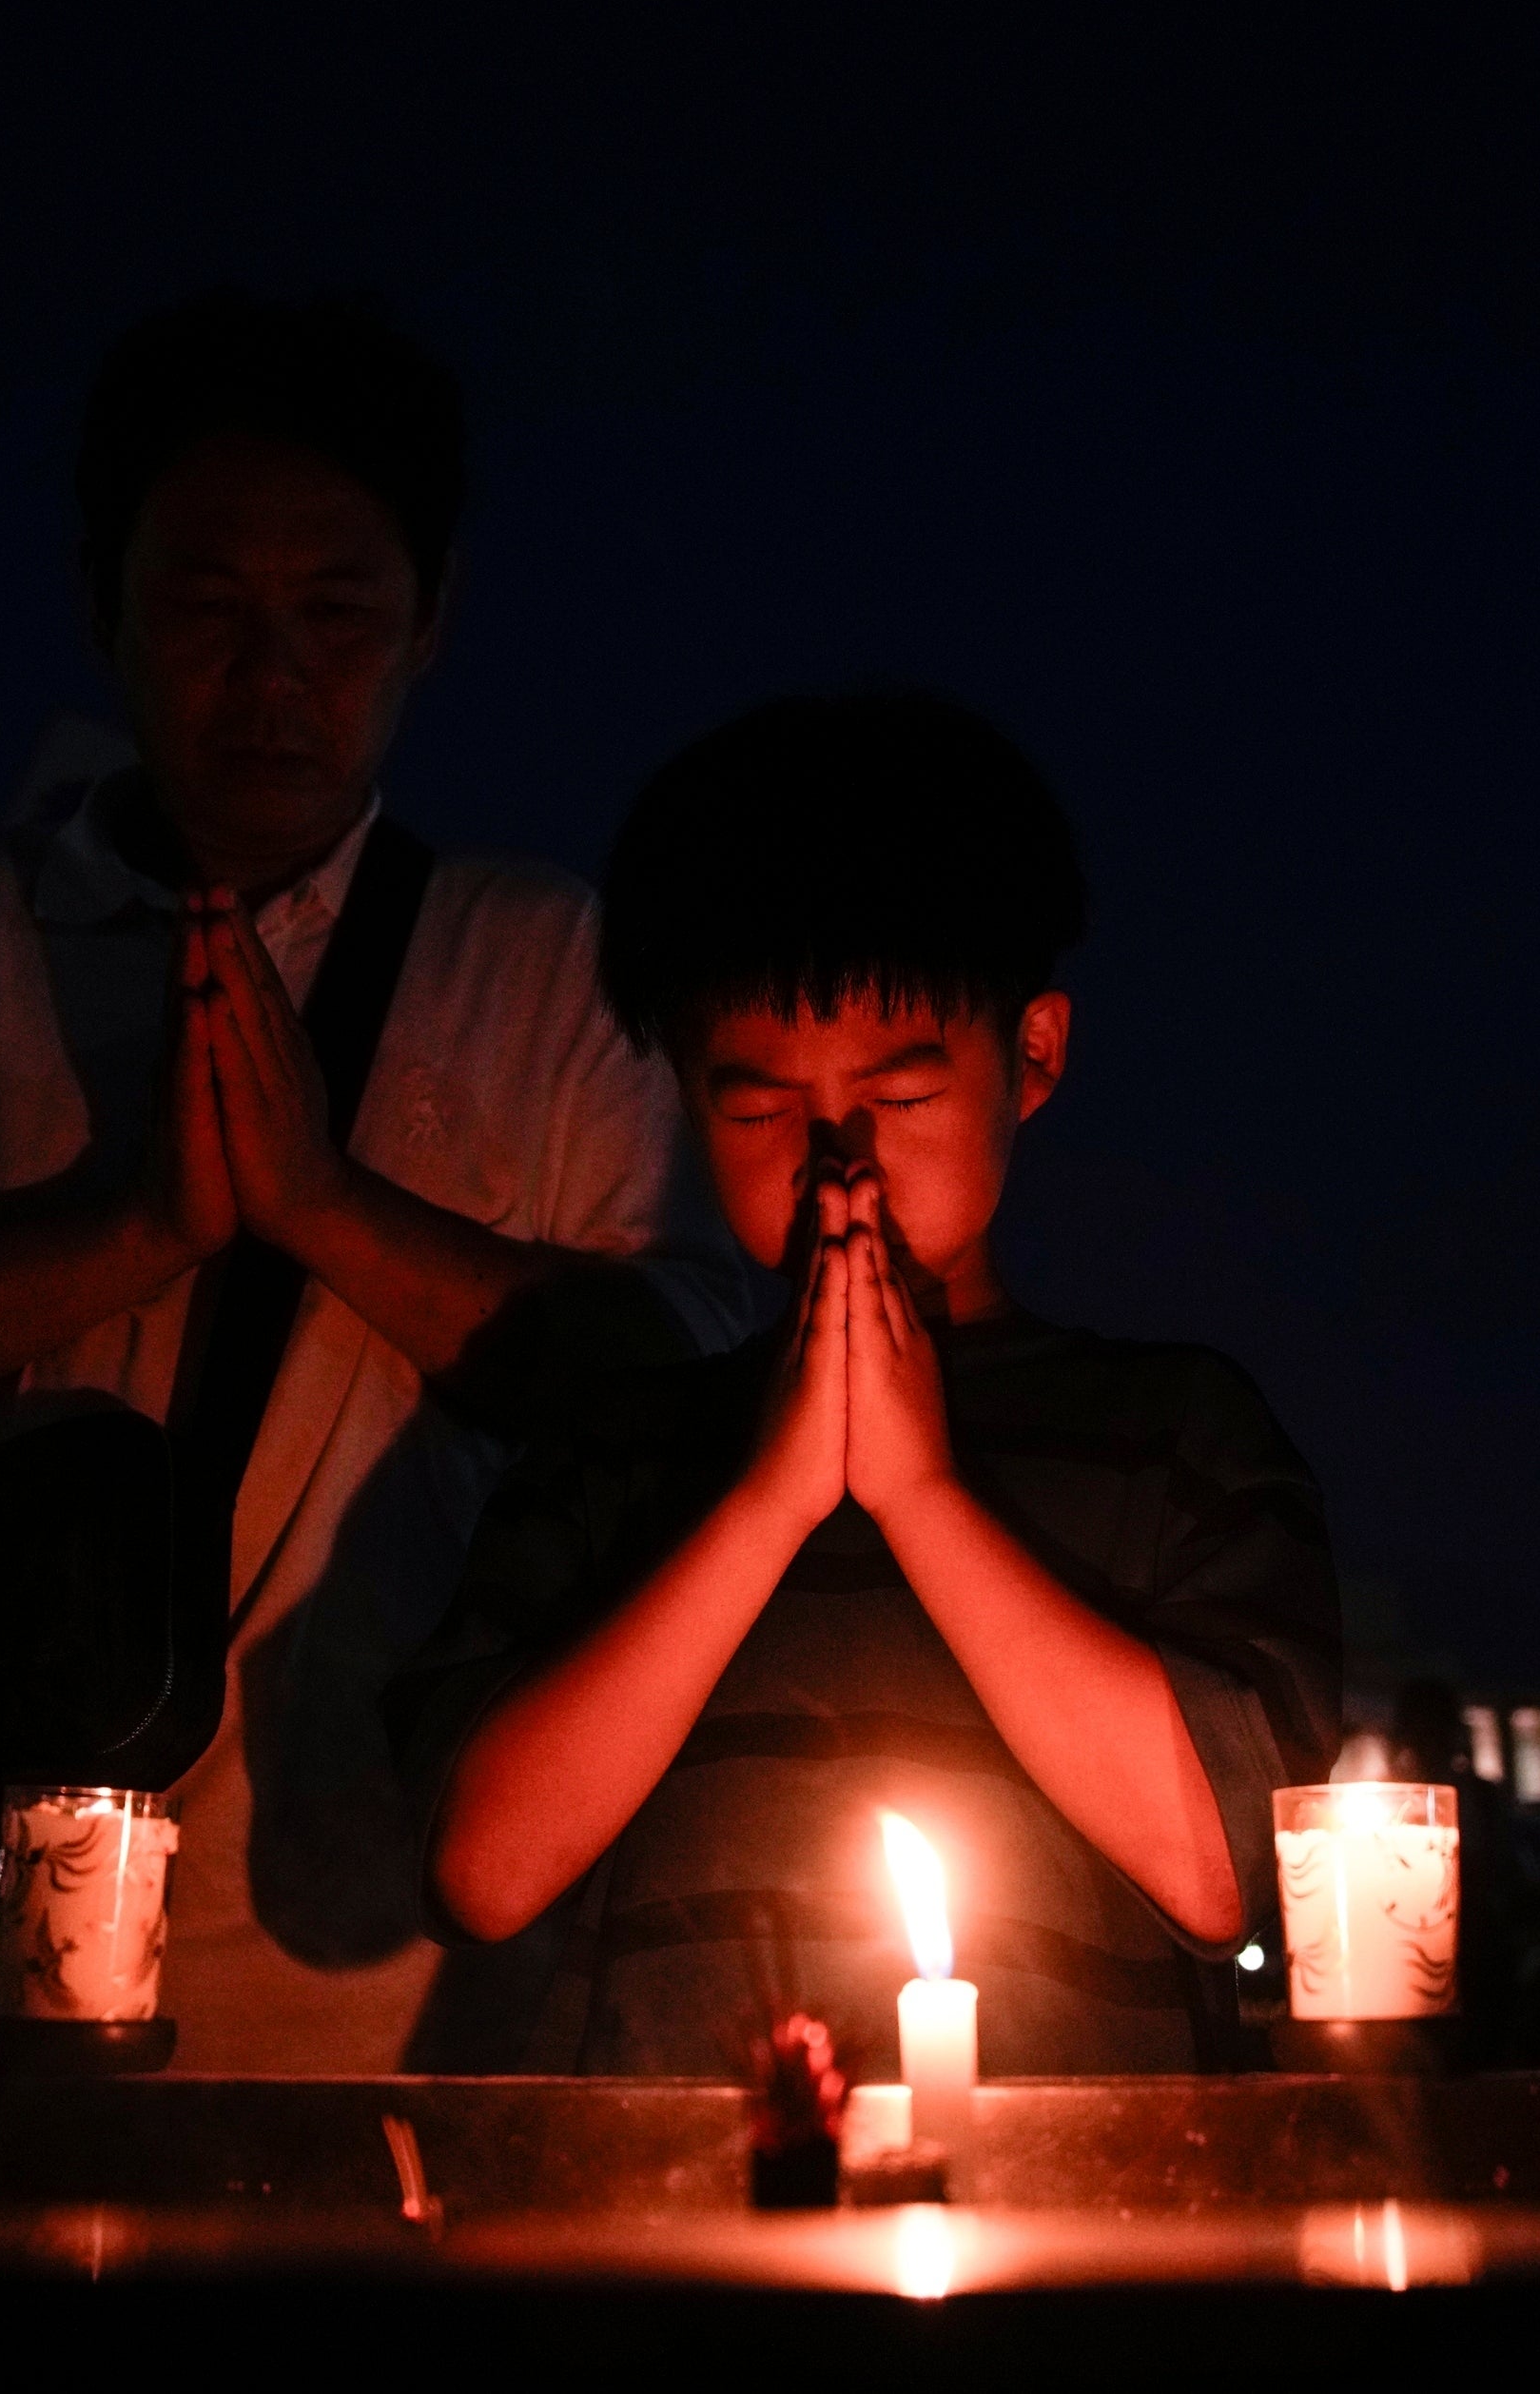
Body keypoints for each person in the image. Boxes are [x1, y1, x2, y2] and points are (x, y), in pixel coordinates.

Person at [0, 294, 744, 2070]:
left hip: (352, 1974)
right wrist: (134, 1228)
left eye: (336, 612)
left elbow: (667, 1382)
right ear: (105, 605)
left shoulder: (547, 958)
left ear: (436, 619)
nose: (271, 678)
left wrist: (320, 1204)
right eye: (204, 608)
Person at [391, 692, 1339, 2077]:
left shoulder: (1174, 1432)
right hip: (681, 2225)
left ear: (1033, 1057)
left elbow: (1220, 1865)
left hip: (1089, 2222)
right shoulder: (624, 1445)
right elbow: (480, 1865)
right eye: (761, 1104)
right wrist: (771, 1498)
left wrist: (922, 1492)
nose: (838, 1157)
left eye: (898, 1097)